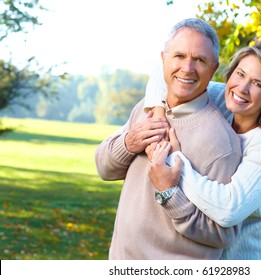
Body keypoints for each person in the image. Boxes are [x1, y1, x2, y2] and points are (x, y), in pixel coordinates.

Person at [95, 18, 242, 260]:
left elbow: (222, 234)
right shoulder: (146, 109)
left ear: (214, 68)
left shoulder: (221, 144)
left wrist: (169, 193)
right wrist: (129, 143)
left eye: (199, 60)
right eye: (179, 56)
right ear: (164, 59)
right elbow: (103, 168)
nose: (187, 68)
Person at [145, 40, 261, 260]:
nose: (242, 88)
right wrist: (159, 115)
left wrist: (175, 160)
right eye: (240, 74)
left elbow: (228, 209)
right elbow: (161, 74)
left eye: (257, 84)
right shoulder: (223, 99)